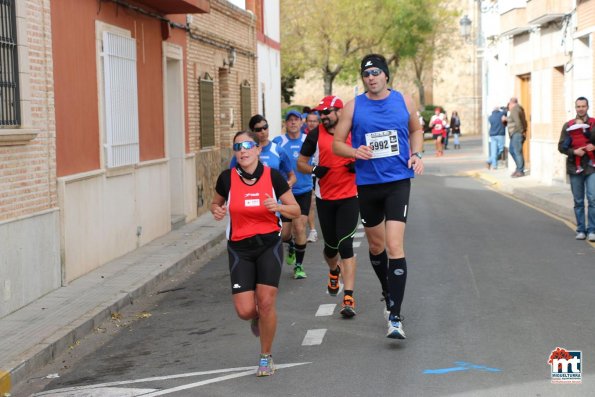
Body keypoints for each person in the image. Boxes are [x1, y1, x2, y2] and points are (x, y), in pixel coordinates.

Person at [333, 54, 424, 339]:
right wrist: (354, 151)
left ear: (385, 75)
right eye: (366, 74)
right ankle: (387, 291)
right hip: (368, 184)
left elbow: (417, 129)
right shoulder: (353, 107)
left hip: (398, 182)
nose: (371, 78)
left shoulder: (405, 101)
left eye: (375, 73)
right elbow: (337, 143)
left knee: (395, 245)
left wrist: (417, 154)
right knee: (376, 246)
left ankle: (395, 317)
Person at [211, 130, 300, 377]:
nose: (243, 150)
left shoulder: (273, 178)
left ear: (258, 150)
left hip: (268, 245)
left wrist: (278, 206)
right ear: (235, 152)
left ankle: (265, 357)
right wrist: (217, 211)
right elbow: (215, 203)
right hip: (239, 248)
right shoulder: (227, 179)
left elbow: (295, 209)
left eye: (248, 145)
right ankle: (255, 318)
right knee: (245, 310)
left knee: (267, 302)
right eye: (238, 147)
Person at [297, 95, 359, 318]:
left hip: (350, 196)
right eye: (321, 113)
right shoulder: (315, 135)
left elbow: (368, 154)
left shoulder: (355, 130)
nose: (323, 116)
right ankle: (334, 271)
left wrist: (358, 165)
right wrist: (314, 170)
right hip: (325, 198)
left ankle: (349, 297)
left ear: (340, 112)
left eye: (327, 112)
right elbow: (300, 163)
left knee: (346, 245)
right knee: (331, 248)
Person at [273, 110, 314, 279]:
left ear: (301, 122)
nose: (293, 123)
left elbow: (318, 158)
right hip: (285, 194)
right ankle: (290, 244)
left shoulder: (308, 140)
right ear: (286, 123)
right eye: (289, 120)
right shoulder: (278, 142)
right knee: (284, 235)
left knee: (299, 228)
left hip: (304, 190)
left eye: (296, 120)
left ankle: (299, 266)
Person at [557, 96, 595, 241]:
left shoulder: (594, 123)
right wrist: (574, 152)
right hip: (575, 167)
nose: (581, 109)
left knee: (593, 199)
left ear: (587, 107)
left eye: (583, 106)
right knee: (578, 200)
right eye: (578, 106)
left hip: (592, 166)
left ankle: (592, 230)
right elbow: (561, 147)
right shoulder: (568, 125)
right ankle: (581, 229)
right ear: (575, 108)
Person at [230, 115, 296, 189]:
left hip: (274, 197)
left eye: (265, 127)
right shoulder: (244, 152)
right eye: (258, 129)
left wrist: (288, 184)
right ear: (252, 131)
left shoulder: (278, 150)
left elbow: (292, 175)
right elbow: (232, 175)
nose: (263, 131)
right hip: (251, 195)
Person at [305, 111, 320, 242]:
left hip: (320, 173)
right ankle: (312, 230)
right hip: (307, 173)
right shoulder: (304, 137)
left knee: (317, 203)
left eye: (314, 121)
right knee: (310, 202)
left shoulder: (323, 136)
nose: (312, 123)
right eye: (309, 121)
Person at [507, 97, 528, 177]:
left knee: (517, 152)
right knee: (512, 151)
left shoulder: (515, 109)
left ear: (511, 103)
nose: (508, 106)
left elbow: (518, 122)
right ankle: (518, 168)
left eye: (509, 104)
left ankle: (520, 170)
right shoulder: (518, 109)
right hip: (515, 133)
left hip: (517, 133)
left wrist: (521, 131)